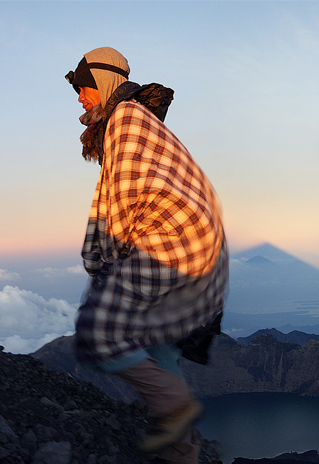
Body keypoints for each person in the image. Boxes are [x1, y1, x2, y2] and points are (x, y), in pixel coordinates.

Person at [65, 47, 228, 464]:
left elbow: (121, 199)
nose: (80, 98)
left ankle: (175, 406)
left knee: (98, 332)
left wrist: (102, 261)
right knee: (162, 348)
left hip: (171, 243)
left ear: (102, 82)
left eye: (83, 88)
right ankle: (182, 455)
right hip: (197, 245)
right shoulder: (138, 120)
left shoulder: (126, 120)